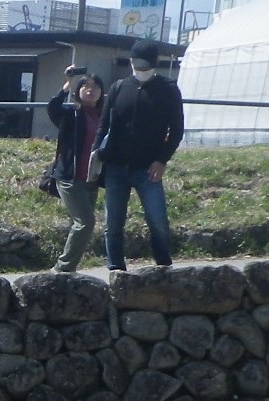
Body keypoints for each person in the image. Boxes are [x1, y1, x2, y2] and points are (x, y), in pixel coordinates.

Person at [97, 41, 182, 272]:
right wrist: (97, 157)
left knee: (158, 220)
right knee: (113, 223)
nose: (140, 69)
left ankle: (164, 267)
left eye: (145, 65)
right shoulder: (118, 87)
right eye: (136, 64)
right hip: (116, 166)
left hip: (148, 168)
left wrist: (161, 160)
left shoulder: (168, 88)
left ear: (154, 64)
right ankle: (115, 269)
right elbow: (103, 125)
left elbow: (176, 130)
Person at [46, 69, 105, 273]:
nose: (91, 91)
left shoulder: (103, 117)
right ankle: (63, 268)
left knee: (83, 225)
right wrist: (67, 83)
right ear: (78, 90)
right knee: (85, 222)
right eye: (86, 86)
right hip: (70, 178)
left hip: (91, 179)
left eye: (96, 87)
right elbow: (53, 108)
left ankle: (69, 267)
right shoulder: (71, 114)